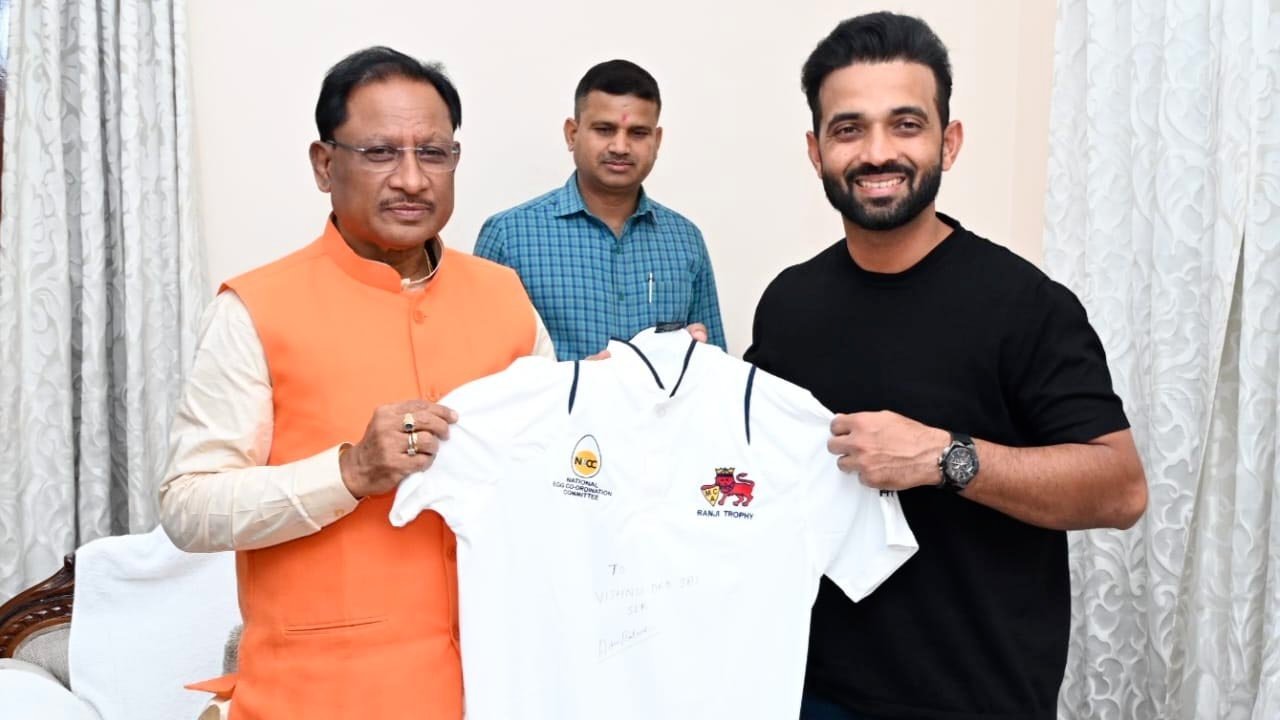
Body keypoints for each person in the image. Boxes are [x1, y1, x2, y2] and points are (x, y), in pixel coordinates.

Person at [743, 13, 1148, 720]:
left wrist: (944, 457)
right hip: (810, 690)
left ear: (948, 141)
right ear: (816, 150)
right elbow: (751, 464)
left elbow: (1120, 490)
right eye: (848, 129)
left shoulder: (1026, 306)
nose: (877, 152)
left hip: (978, 699)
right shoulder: (788, 304)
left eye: (905, 125)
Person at [157, 47, 554, 720]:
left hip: (497, 688)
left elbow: (552, 480)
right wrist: (348, 472)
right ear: (324, 164)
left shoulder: (506, 297)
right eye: (379, 153)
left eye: (434, 153)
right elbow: (188, 507)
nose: (412, 179)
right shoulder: (255, 308)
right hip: (318, 697)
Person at [475, 59, 726, 360]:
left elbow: (714, 366)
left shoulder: (685, 240)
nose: (620, 147)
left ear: (657, 141)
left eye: (638, 133)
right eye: (605, 129)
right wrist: (575, 378)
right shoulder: (509, 236)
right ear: (572, 134)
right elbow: (481, 366)